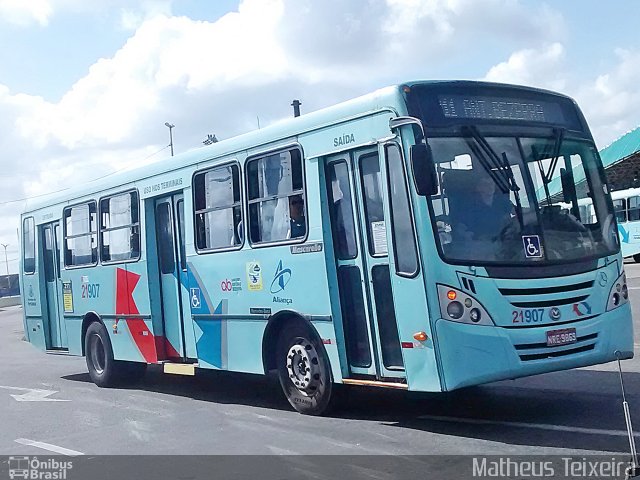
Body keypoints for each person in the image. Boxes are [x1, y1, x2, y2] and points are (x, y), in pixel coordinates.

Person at [454, 174, 513, 241]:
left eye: (491, 183)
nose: (490, 186)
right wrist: (465, 234)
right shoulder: (470, 207)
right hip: (482, 244)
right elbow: (460, 227)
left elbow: (518, 212)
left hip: (503, 240)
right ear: (478, 188)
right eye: (486, 184)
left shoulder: (502, 201)